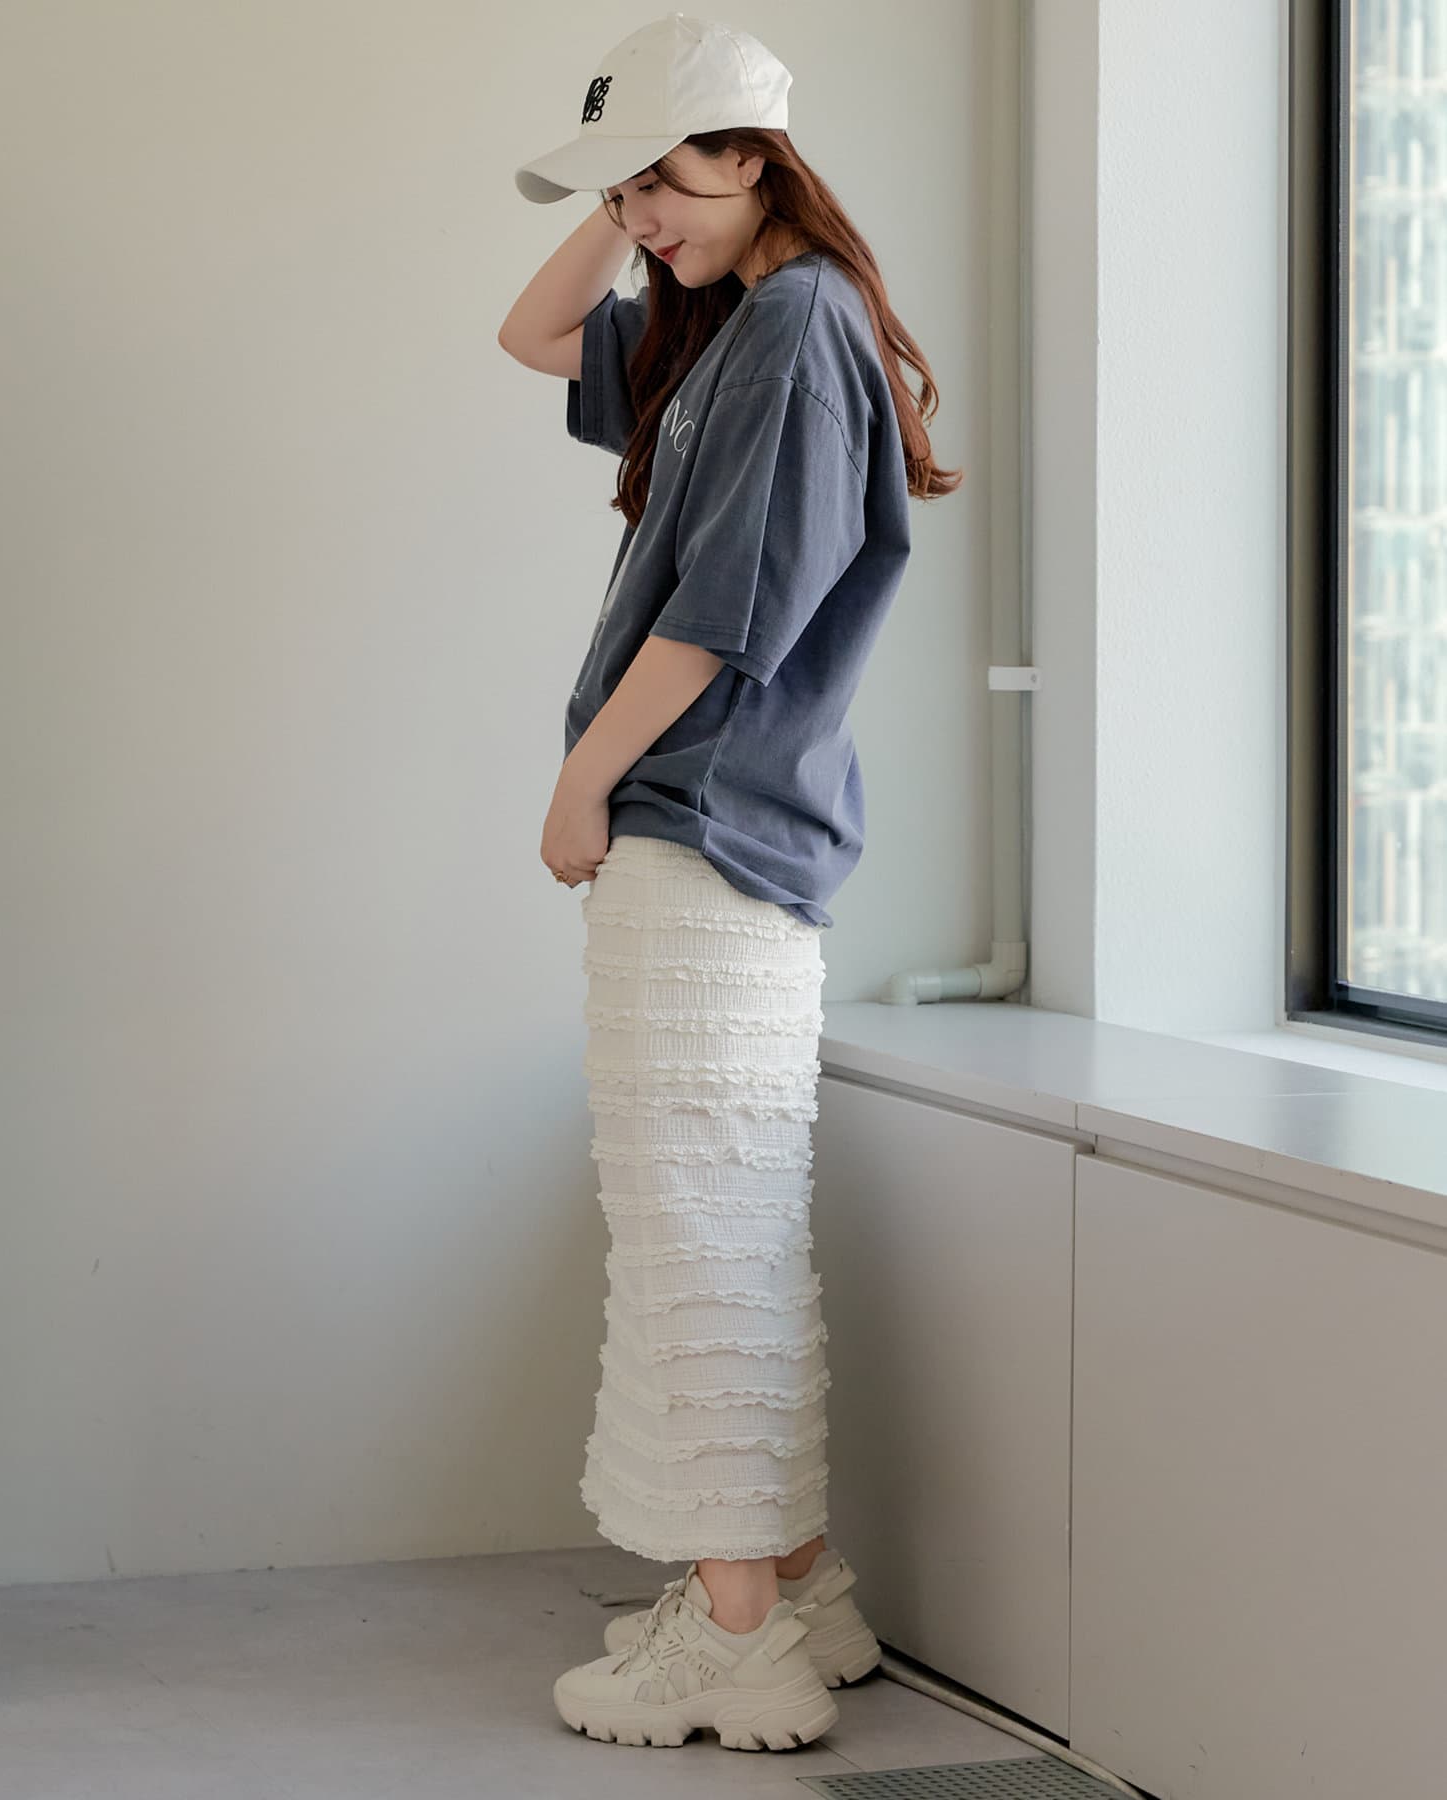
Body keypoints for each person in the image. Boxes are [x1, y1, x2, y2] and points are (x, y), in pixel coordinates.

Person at [500, 10, 960, 1753]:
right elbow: (531, 332)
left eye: (667, 181)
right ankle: (797, 1591)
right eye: (623, 192)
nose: (640, 220)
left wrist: (580, 782)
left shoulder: (792, 329)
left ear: (759, 161)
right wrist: (628, 197)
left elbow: (725, 615)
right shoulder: (736, 325)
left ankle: (739, 1637)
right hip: (726, 833)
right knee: (722, 1216)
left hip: (701, 826)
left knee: (697, 1228)